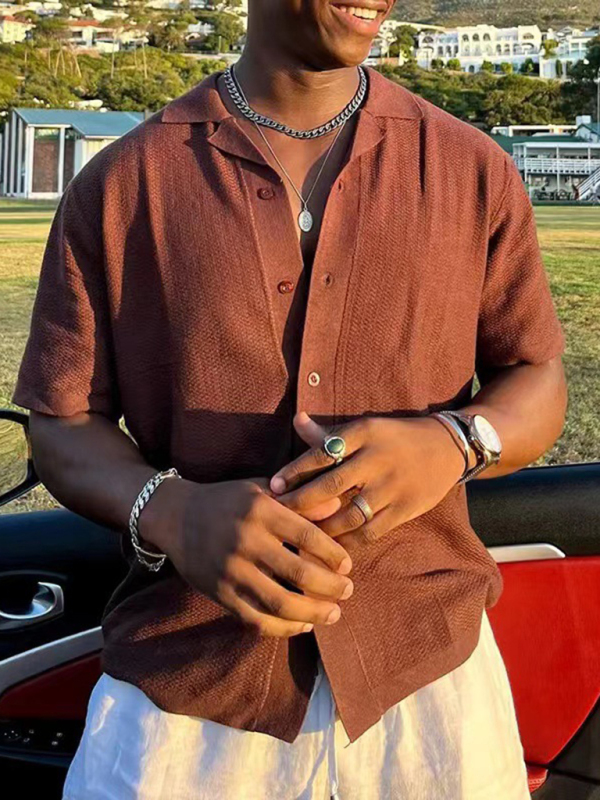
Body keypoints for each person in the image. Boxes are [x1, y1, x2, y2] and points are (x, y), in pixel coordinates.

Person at [14, 1, 567, 798]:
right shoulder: (126, 182)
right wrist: (174, 513)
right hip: (186, 707)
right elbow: (63, 423)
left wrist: (456, 440)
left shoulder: (471, 167)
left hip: (432, 699)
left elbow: (537, 379)